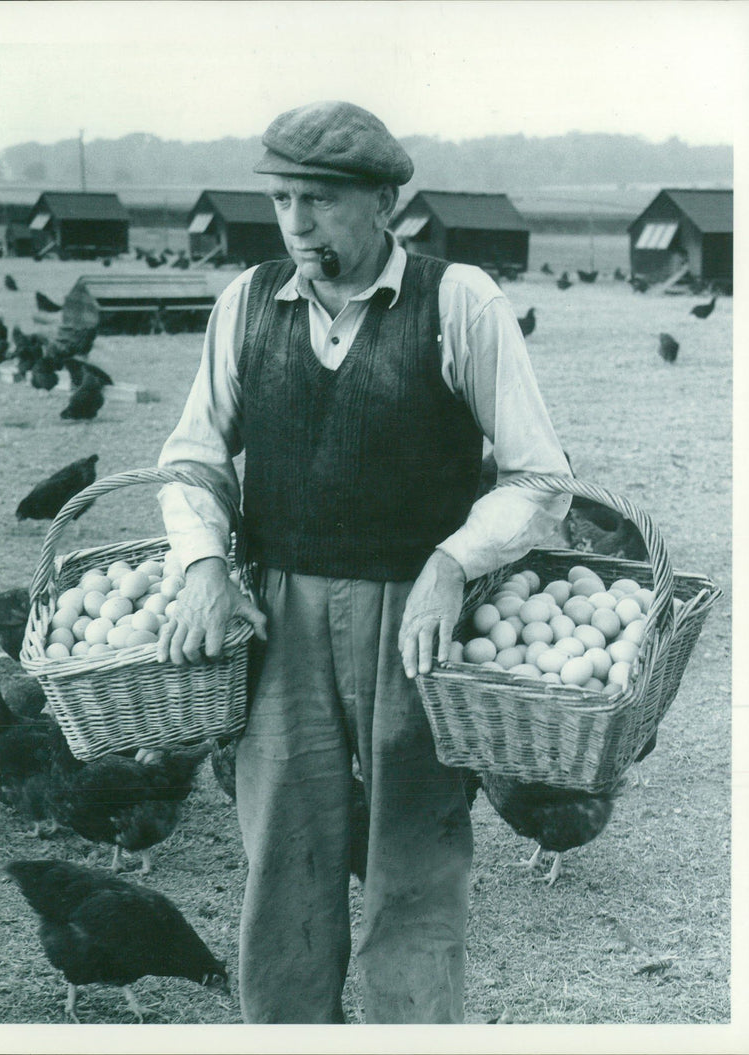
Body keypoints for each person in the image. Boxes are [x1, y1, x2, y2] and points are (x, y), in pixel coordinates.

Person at [156, 100, 571, 1024]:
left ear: (384, 202)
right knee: (284, 864)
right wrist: (203, 565)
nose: (297, 224)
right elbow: (193, 457)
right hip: (283, 617)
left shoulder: (458, 301)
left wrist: (454, 563)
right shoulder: (247, 304)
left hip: (418, 630)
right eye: (282, 201)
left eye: (322, 200)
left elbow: (541, 477)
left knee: (414, 867)